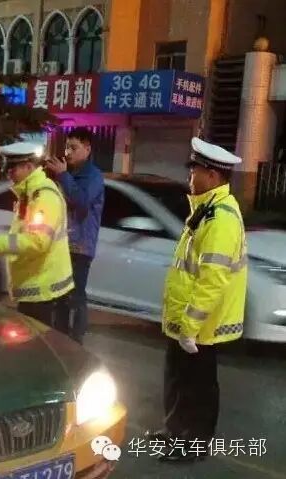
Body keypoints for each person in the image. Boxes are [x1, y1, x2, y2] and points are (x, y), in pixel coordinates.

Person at [145, 137, 248, 462]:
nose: (190, 176)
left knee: (197, 387)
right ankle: (175, 432)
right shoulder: (205, 210)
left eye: (195, 170)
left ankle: (194, 444)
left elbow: (212, 280)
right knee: (177, 379)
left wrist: (190, 326)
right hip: (185, 321)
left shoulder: (221, 218)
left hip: (200, 326)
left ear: (212, 176)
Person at [0, 142, 73, 331]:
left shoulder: (44, 197)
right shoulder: (28, 195)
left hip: (44, 293)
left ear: (28, 167)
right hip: (37, 289)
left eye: (12, 169)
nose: (9, 174)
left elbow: (37, 241)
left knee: (38, 345)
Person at [45, 127, 104, 343]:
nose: (68, 152)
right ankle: (60, 338)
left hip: (80, 247)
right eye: (67, 147)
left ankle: (76, 341)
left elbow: (82, 202)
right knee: (60, 296)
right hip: (63, 243)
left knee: (75, 297)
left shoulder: (93, 176)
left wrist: (63, 175)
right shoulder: (69, 174)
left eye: (73, 148)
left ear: (87, 149)